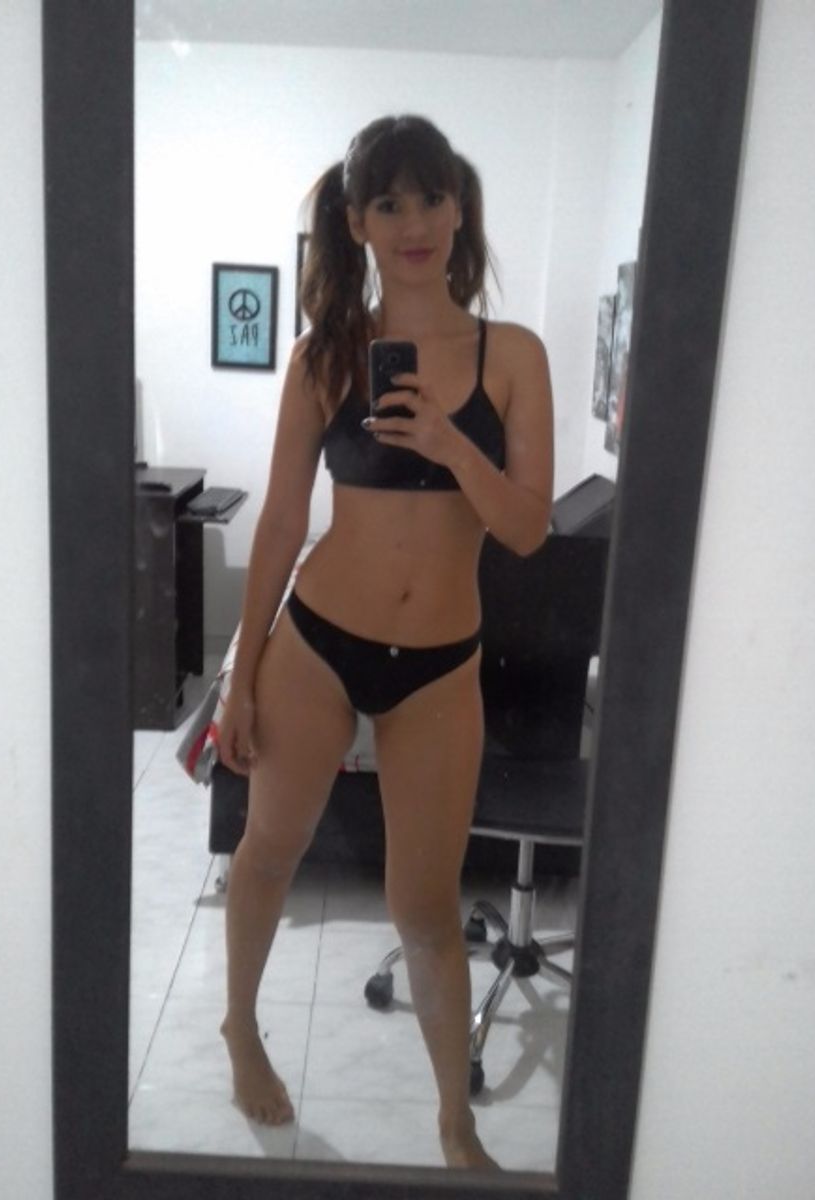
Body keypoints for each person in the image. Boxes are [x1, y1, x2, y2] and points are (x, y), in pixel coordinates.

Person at [217, 114, 554, 1170]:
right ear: (358, 222)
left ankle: (456, 1122)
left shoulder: (513, 356)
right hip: (318, 642)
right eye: (390, 203)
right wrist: (240, 673)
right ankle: (240, 1029)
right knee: (269, 850)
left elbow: (527, 527)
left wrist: (450, 442)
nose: (415, 223)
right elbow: (282, 522)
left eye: (432, 198)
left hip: (441, 667)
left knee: (425, 908)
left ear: (460, 209)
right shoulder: (327, 356)